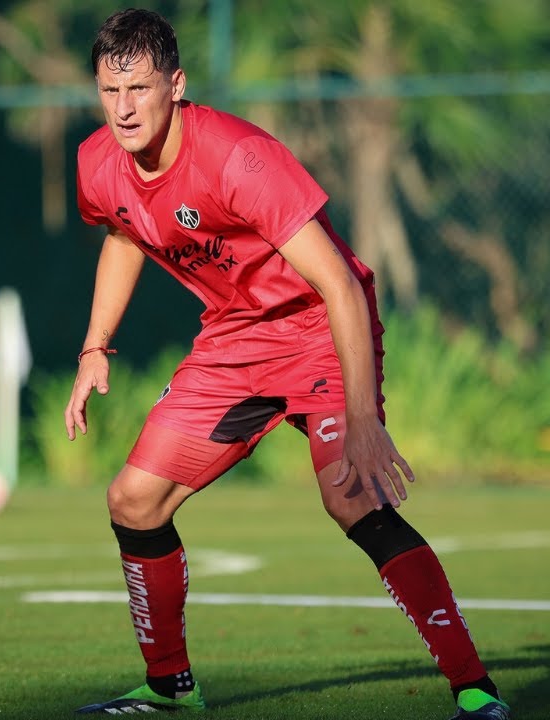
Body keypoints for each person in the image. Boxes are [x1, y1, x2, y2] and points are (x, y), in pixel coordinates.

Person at [65, 9, 511, 719]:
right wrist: (95, 346)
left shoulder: (239, 158)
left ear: (176, 86)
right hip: (233, 343)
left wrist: (362, 419)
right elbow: (123, 231)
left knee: (352, 496)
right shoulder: (97, 162)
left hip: (315, 330)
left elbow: (339, 284)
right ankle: (170, 688)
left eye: (140, 90)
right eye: (109, 92)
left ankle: (475, 689)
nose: (123, 109)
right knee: (132, 501)